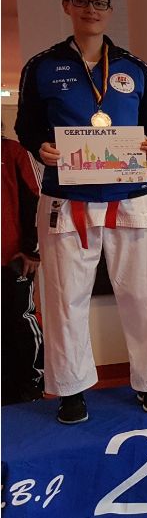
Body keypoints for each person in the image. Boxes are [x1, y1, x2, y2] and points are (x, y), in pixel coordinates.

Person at [15, 0, 147, 423]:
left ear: (109, 10)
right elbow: (27, 125)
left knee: (143, 294)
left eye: (99, 2)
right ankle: (70, 390)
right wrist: (41, 146)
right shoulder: (42, 66)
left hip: (131, 195)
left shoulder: (134, 67)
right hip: (68, 199)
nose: (90, 9)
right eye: (81, 1)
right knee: (66, 297)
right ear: (67, 6)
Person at [1, 130, 45, 404]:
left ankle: (30, 388)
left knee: (19, 323)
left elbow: (37, 198)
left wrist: (32, 250)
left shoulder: (13, 152)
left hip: (11, 260)